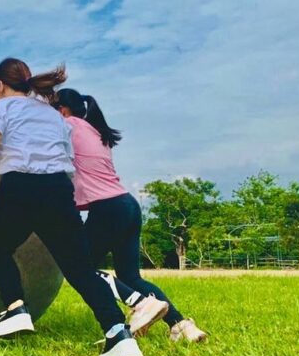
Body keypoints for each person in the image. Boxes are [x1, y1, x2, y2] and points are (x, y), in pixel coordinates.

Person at [0, 58, 143, 356]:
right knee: (80, 270)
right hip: (58, 190)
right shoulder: (52, 114)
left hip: (20, 187)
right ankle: (119, 334)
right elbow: (65, 154)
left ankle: (15, 307)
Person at [52, 88, 207, 342]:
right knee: (130, 276)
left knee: (80, 267)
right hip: (127, 205)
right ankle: (181, 325)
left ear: (62, 110)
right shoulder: (96, 132)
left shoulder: (69, 125)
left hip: (107, 209)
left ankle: (140, 304)